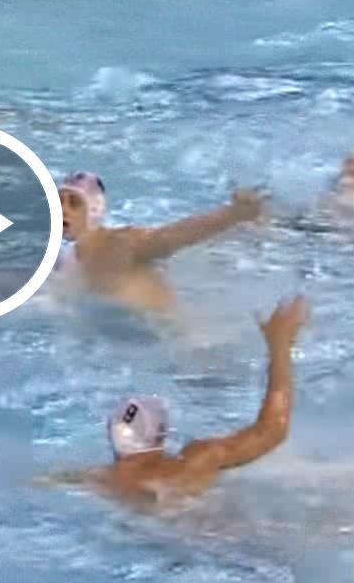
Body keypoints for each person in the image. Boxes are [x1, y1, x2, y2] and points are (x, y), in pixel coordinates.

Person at [36, 296, 307, 510]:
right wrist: (280, 347)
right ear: (161, 434)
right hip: (218, 539)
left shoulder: (96, 480)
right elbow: (272, 430)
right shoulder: (193, 462)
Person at [54, 171, 267, 315]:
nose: (62, 210)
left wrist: (234, 214)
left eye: (74, 203)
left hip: (185, 352)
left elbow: (172, 236)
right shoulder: (69, 261)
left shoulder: (122, 243)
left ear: (94, 210)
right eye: (58, 201)